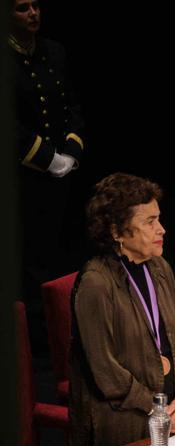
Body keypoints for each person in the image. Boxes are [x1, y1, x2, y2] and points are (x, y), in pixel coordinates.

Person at [69, 174, 175, 446]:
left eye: (159, 219)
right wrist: (159, 409)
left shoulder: (160, 267)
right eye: (149, 222)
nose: (161, 229)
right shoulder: (96, 284)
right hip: (123, 425)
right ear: (117, 232)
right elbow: (106, 373)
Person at [10, 0, 86, 350]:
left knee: (63, 255)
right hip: (24, 179)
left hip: (64, 174)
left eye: (37, 6)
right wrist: (46, 158)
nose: (33, 13)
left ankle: (68, 332)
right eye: (22, 8)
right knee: (34, 261)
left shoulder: (54, 51)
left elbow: (71, 104)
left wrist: (70, 151)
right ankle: (40, 343)